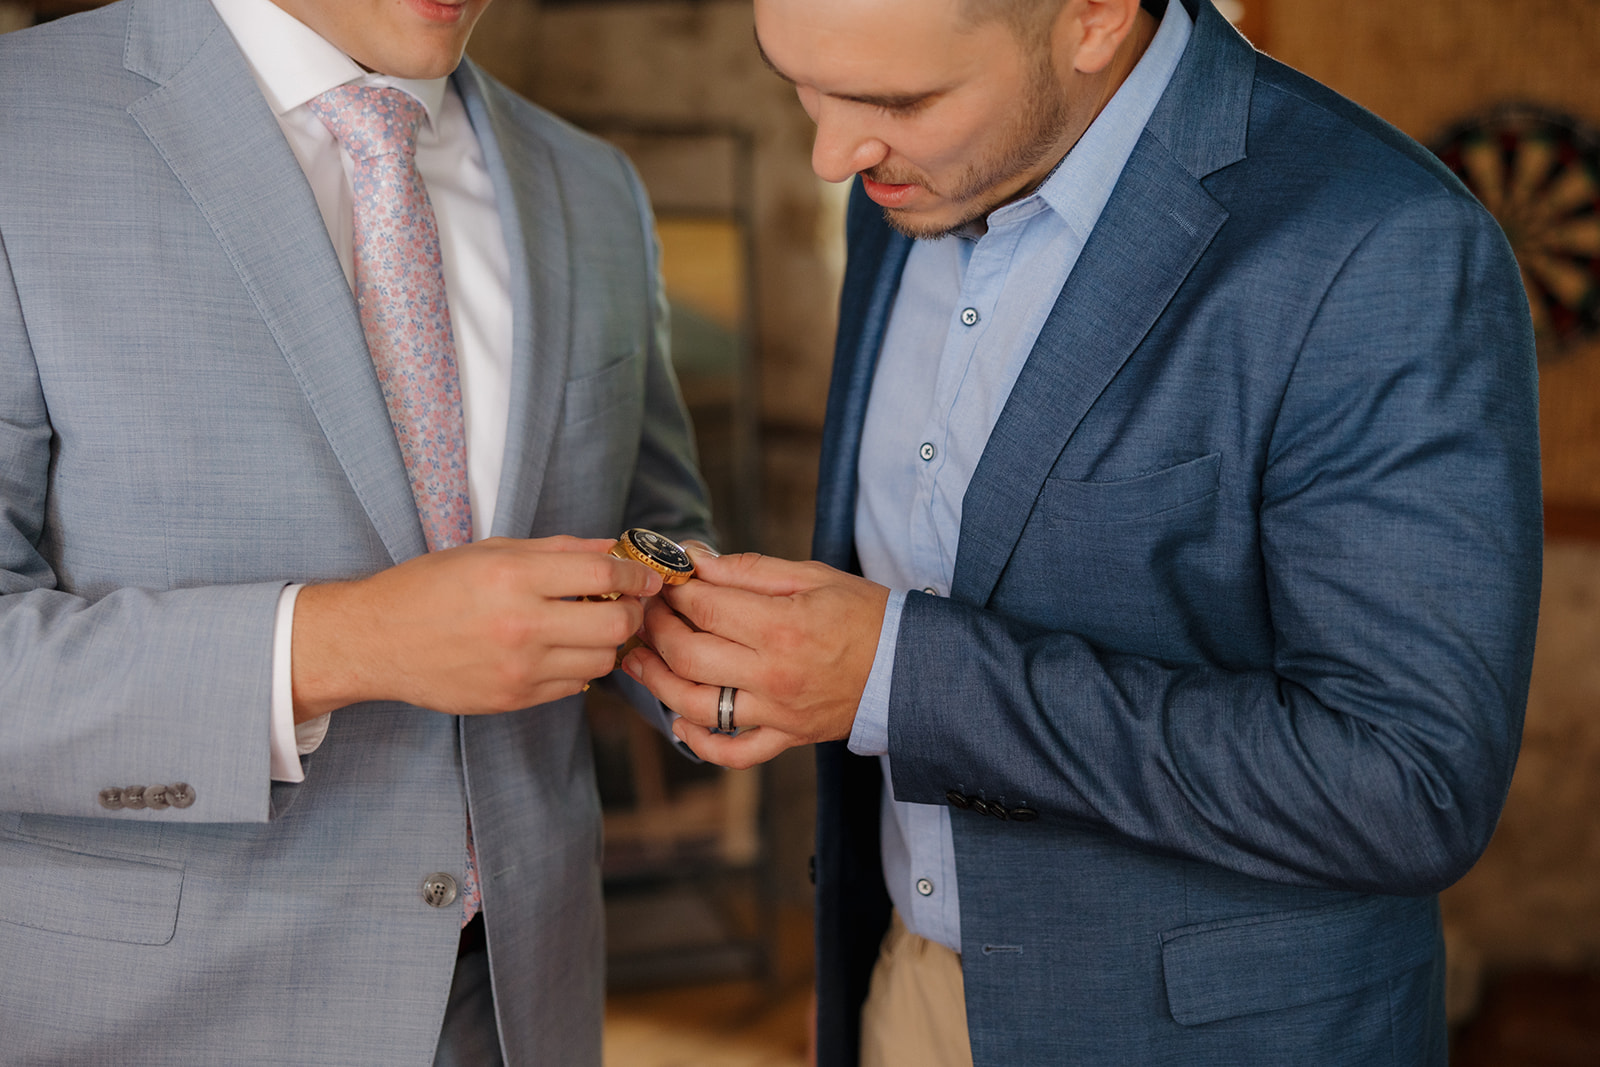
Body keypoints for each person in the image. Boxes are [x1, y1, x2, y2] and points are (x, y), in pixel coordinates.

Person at [623, 0, 1543, 1063]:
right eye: (802, 85)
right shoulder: (902, 188)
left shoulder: (1383, 241)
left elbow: (1407, 786)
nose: (832, 156)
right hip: (902, 992)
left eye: (897, 100)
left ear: (1095, 17)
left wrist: (894, 676)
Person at [0, 0, 710, 1061]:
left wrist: (700, 645)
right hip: (162, 1014)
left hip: (520, 1002)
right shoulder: (20, 129)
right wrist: (351, 644)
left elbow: (654, 527)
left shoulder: (593, 183)